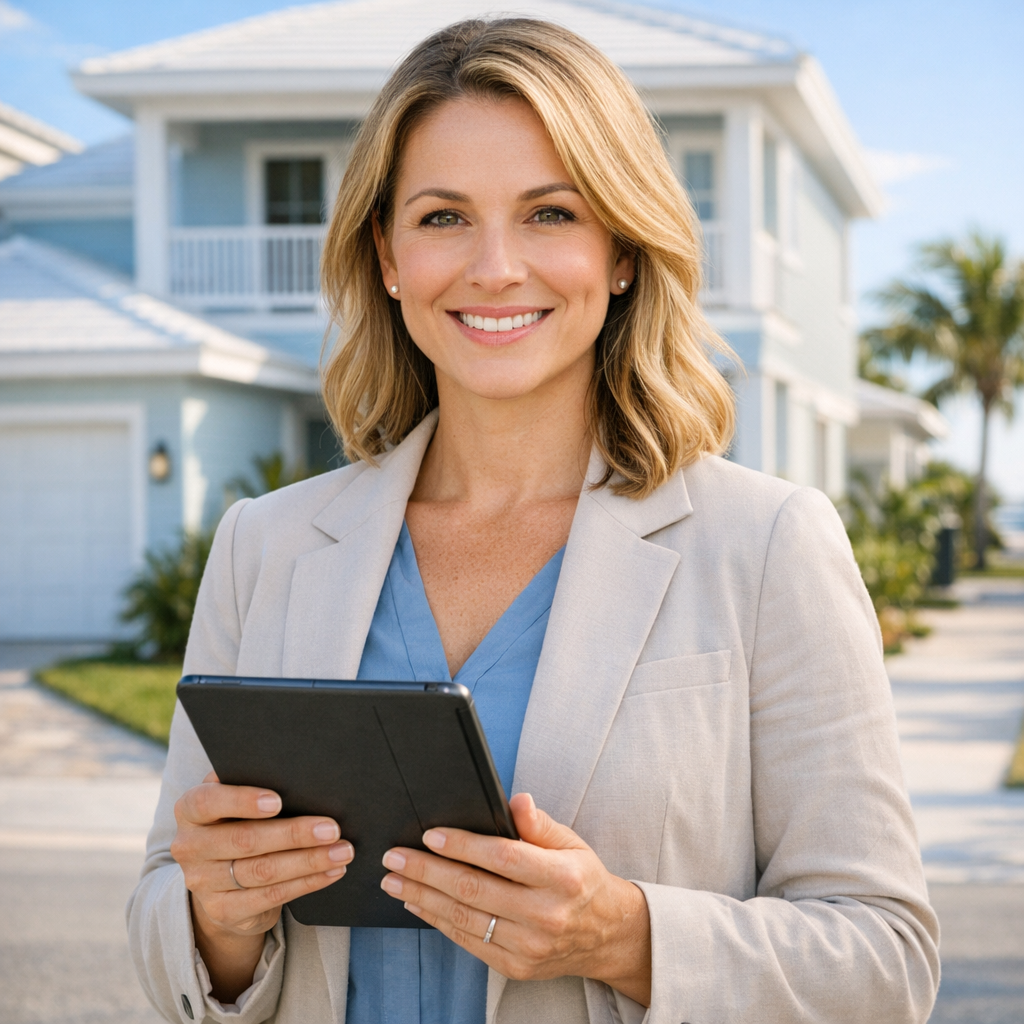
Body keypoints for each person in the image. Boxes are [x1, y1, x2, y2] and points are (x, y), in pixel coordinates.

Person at [127, 17, 940, 1024]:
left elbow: (886, 960)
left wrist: (625, 936)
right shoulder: (267, 547)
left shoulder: (766, 545)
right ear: (386, 254)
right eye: (442, 217)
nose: (495, 266)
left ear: (623, 252)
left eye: (550, 213)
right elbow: (169, 900)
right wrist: (219, 919)